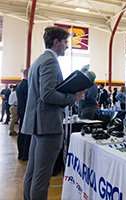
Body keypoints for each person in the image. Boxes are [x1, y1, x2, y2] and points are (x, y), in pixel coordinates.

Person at [21, 26, 85, 200]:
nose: (66, 46)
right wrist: (73, 97)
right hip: (48, 125)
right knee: (41, 178)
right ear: (56, 42)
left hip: (38, 124)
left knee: (32, 174)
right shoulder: (50, 61)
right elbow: (47, 94)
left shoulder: (38, 60)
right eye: (65, 42)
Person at [16, 68, 31, 160]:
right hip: (26, 112)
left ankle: (21, 154)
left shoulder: (19, 85)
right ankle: (25, 155)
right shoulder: (27, 85)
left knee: (21, 134)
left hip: (21, 111)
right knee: (26, 134)